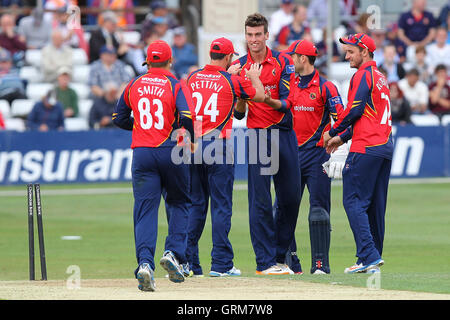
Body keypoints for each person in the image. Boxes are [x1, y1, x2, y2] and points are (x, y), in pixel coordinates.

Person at [112, 40, 195, 292]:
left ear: (147, 62)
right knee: (180, 202)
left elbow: (118, 118)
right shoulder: (175, 84)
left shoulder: (135, 83)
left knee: (145, 210)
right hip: (171, 150)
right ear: (170, 61)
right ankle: (173, 254)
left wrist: (139, 127)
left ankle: (145, 264)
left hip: (143, 154)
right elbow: (188, 117)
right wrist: (185, 135)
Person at [264, 39, 348, 274]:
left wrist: (335, 141)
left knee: (319, 210)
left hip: (317, 156)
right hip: (289, 154)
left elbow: (340, 119)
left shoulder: (326, 87)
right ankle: (290, 263)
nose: (289, 60)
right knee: (281, 209)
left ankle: (320, 265)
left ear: (303, 59)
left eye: (292, 57)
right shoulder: (286, 84)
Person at [185, 37, 265, 277]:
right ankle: (221, 264)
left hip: (191, 146)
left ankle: (189, 262)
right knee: (221, 206)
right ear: (229, 57)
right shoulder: (232, 80)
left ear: (211, 54)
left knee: (196, 205)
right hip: (218, 145)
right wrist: (253, 77)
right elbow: (259, 97)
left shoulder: (193, 77)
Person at [233, 13, 301, 275]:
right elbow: (239, 113)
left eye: (258, 35)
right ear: (245, 36)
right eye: (249, 35)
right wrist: (242, 90)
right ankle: (265, 262)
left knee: (291, 198)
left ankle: (280, 255)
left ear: (266, 35)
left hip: (284, 133)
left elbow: (286, 104)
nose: (254, 40)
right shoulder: (240, 65)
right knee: (260, 201)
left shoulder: (284, 61)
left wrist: (258, 87)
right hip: (258, 135)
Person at [323, 33, 393, 274]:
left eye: (351, 51)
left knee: (353, 201)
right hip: (384, 147)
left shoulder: (362, 75)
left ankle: (369, 256)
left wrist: (332, 130)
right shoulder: (381, 77)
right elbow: (366, 117)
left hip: (366, 147)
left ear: (364, 51)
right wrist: (341, 138)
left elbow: (354, 110)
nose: (346, 55)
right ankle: (370, 259)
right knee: (374, 205)